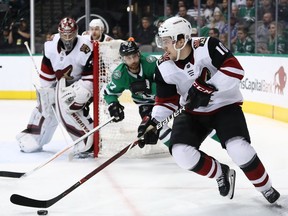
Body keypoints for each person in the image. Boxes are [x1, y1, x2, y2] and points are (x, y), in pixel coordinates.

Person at [137, 16, 280, 204]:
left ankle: (266, 188)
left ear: (181, 40)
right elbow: (166, 101)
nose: (163, 47)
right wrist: (153, 122)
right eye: (162, 41)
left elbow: (236, 70)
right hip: (191, 113)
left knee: (239, 149)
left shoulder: (207, 46)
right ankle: (222, 173)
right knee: (181, 153)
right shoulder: (163, 66)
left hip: (224, 107)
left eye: (167, 42)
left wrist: (209, 86)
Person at [16, 17, 95, 158]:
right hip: (59, 84)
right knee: (46, 104)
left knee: (68, 106)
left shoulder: (86, 47)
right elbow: (47, 74)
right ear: (59, 33)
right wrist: (47, 91)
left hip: (81, 84)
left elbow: (91, 76)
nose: (67, 38)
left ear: (76, 32)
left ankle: (87, 140)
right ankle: (34, 137)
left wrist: (84, 90)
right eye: (64, 35)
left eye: (71, 35)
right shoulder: (51, 46)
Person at [103, 40, 171, 147]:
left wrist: (150, 86)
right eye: (128, 58)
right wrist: (113, 105)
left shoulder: (151, 63)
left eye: (134, 56)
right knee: (152, 129)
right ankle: (178, 148)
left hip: (164, 99)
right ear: (123, 59)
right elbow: (108, 93)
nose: (133, 60)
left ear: (139, 54)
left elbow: (168, 84)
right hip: (145, 104)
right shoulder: (120, 75)